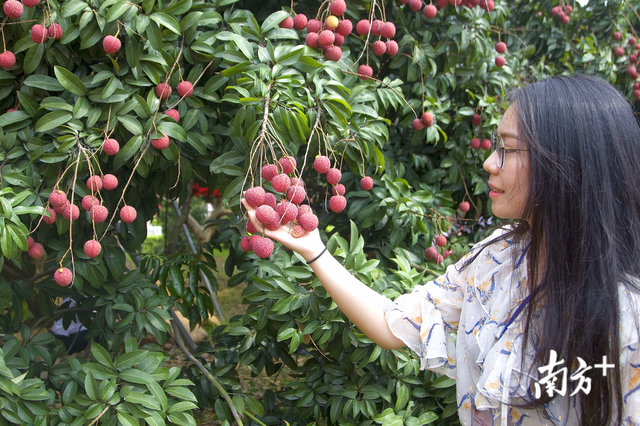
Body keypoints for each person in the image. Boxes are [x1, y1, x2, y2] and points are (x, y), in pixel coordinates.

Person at [241, 74, 640, 425]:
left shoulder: (627, 319)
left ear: (565, 163)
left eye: (507, 149)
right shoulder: (497, 258)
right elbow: (392, 324)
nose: (488, 162)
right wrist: (313, 249)